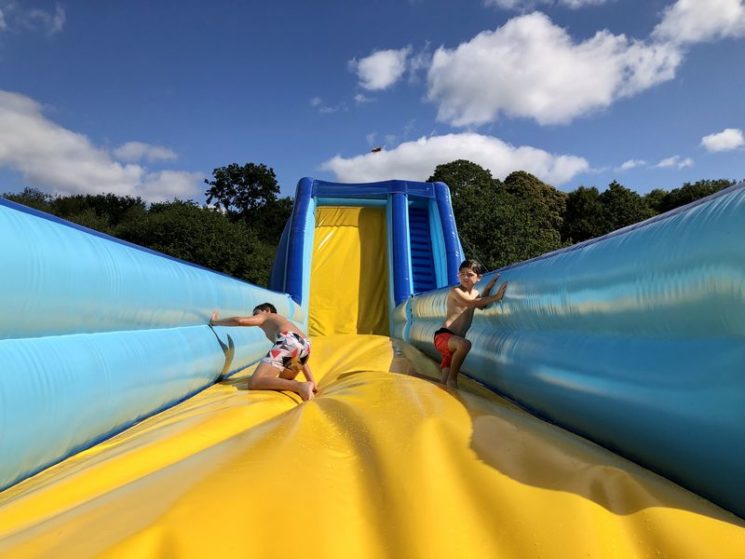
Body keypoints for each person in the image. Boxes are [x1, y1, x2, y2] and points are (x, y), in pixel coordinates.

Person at [210, 302, 317, 401]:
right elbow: (298, 349)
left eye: (255, 314)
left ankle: (300, 386)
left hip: (288, 340)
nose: (254, 317)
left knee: (255, 381)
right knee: (282, 381)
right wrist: (312, 382)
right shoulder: (282, 323)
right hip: (305, 346)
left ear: (267, 310)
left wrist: (215, 322)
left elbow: (239, 321)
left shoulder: (266, 316)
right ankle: (305, 386)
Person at [433, 260, 508, 388]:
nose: (465, 277)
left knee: (442, 384)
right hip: (444, 336)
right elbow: (469, 303)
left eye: (470, 274)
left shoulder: (475, 294)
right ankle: (453, 379)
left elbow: (482, 305)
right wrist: (496, 297)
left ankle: (415, 375)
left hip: (455, 342)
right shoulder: (455, 291)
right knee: (465, 345)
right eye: (462, 274)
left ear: (478, 278)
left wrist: (488, 289)